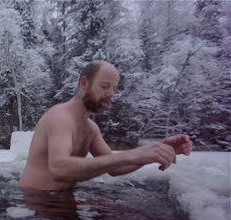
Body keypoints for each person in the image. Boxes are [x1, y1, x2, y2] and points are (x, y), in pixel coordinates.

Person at [19, 60, 193, 191]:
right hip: (35, 203)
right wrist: (133, 154)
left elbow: (116, 168)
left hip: (62, 201)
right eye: (105, 86)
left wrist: (157, 149)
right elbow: (59, 169)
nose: (111, 94)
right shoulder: (60, 117)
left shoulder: (91, 129)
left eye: (114, 88)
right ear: (84, 83)